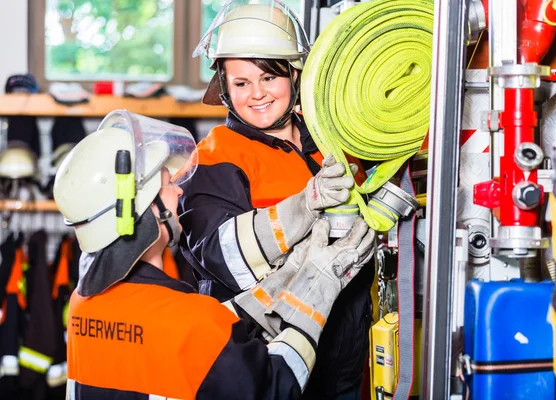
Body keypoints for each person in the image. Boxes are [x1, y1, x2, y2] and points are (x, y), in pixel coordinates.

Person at [53, 111, 375, 399]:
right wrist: (319, 287)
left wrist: (289, 274)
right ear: (147, 212)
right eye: (166, 184)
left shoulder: (85, 306)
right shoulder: (189, 321)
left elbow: (194, 337)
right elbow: (277, 385)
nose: (178, 190)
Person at [179, 0, 375, 398]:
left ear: (294, 74)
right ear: (224, 87)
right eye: (241, 83)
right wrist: (304, 205)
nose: (257, 95)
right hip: (267, 363)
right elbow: (220, 257)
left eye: (269, 77)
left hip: (345, 356)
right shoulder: (217, 156)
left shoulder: (329, 140)